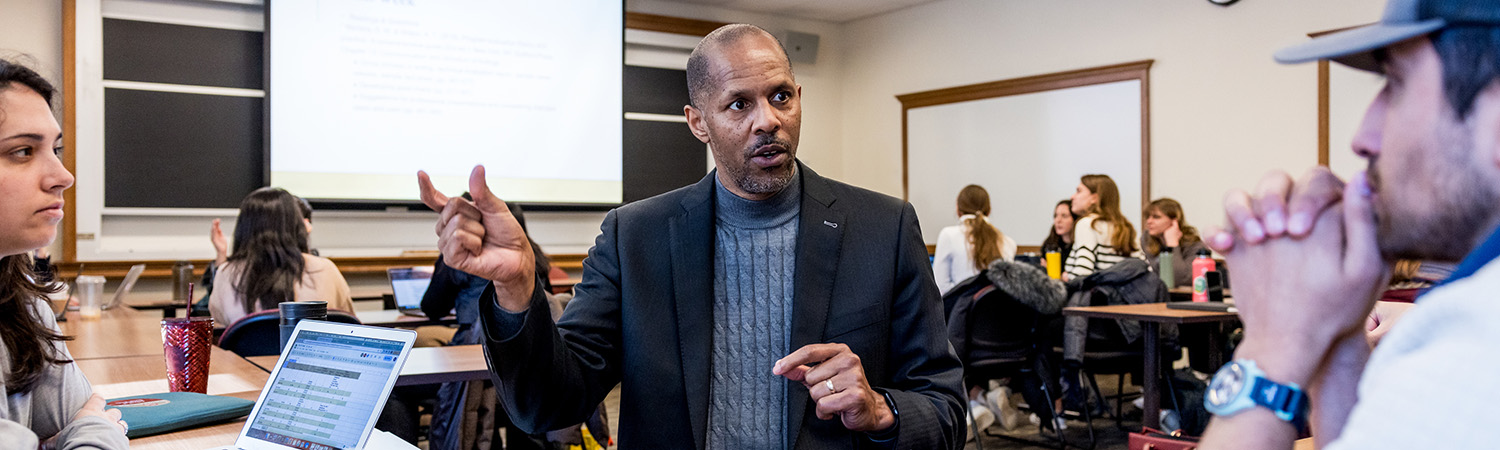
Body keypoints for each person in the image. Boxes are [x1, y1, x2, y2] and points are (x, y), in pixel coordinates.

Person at [415, 24, 965, 449]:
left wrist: (881, 408)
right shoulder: (635, 237)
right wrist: (517, 292)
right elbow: (549, 405)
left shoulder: (882, 228)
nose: (767, 120)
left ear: (799, 97)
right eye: (738, 105)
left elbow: (946, 410)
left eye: (780, 97)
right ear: (697, 122)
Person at [1198, 1, 1500, 448]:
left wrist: (1274, 349)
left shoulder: (1473, 349)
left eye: (1394, 84)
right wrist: (1337, 330)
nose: (1362, 138)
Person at [0, 57, 128, 449]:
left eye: (54, 149)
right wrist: (95, 431)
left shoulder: (19, 302)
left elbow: (79, 412)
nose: (63, 176)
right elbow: (88, 423)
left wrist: (82, 428)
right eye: (22, 151)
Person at [207, 187, 353, 326]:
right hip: (309, 352)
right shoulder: (325, 270)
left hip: (246, 353)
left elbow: (220, 331)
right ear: (297, 225)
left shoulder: (226, 273)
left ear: (243, 227)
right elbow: (349, 323)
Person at [932, 184, 1017, 295]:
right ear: (989, 210)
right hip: (998, 311)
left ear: (958, 210)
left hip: (957, 310)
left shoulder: (948, 235)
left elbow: (939, 287)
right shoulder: (1008, 243)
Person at [1063, 174, 1138, 281]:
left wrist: (1067, 279)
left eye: (1079, 191)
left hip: (1098, 296)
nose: (1072, 197)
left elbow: (1082, 273)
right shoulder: (1126, 226)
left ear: (1094, 198)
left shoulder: (1087, 224)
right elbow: (1143, 267)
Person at [1141, 198, 1208, 288]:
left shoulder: (1194, 245)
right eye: (1148, 217)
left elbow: (1178, 279)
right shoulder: (1147, 239)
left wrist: (1172, 244)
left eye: (1156, 217)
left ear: (1174, 221)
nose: (1149, 221)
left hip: (1183, 298)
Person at [1040, 199, 1077, 266]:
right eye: (1055, 216)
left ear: (1075, 219)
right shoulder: (1050, 243)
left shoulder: (1079, 245)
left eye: (1064, 216)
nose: (1058, 220)